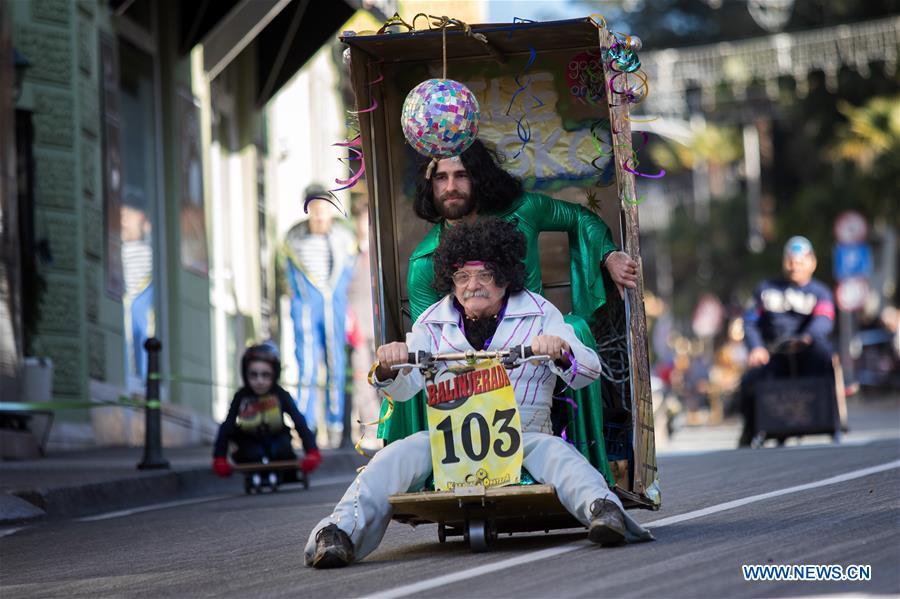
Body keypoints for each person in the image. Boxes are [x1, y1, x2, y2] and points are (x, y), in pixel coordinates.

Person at [304, 219, 653, 569]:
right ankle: (337, 533)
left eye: (485, 275)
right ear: (450, 279)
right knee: (392, 458)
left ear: (506, 276)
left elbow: (588, 369)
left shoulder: (539, 312)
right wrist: (388, 365)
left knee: (558, 456)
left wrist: (561, 351)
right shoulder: (431, 322)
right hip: (448, 442)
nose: (472, 285)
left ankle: (604, 511)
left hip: (524, 435)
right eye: (462, 276)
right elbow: (405, 387)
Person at [381, 139, 639, 481]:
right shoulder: (424, 261)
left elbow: (579, 218)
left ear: (479, 176)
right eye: (441, 178)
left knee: (574, 332)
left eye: (461, 175)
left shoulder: (524, 211)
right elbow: (427, 350)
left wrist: (609, 255)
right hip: (465, 383)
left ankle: (593, 464)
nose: (451, 187)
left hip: (537, 356)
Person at [738, 236, 836, 447]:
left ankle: (829, 419)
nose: (794, 266)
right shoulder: (766, 289)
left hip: (808, 352)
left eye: (800, 261)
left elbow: (824, 320)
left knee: (825, 354)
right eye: (790, 261)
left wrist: (807, 338)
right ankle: (751, 429)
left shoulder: (821, 292)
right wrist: (756, 348)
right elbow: (750, 321)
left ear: (812, 263)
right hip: (776, 354)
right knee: (749, 380)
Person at [284, 189, 357, 446]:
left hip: (334, 308)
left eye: (324, 210)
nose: (320, 216)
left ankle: (336, 424)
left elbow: (348, 277)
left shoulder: (344, 239)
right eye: (315, 210)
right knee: (307, 365)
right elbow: (291, 278)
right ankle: (306, 425)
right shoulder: (295, 240)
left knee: (336, 364)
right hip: (307, 309)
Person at [212, 344, 321, 478]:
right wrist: (220, 457)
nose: (259, 381)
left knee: (282, 448)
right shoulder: (241, 397)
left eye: (266, 375)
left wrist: (312, 451)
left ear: (274, 375)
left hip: (278, 443)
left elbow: (299, 421)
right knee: (252, 452)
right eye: (253, 375)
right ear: (245, 374)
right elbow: (227, 426)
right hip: (249, 444)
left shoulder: (281, 395)